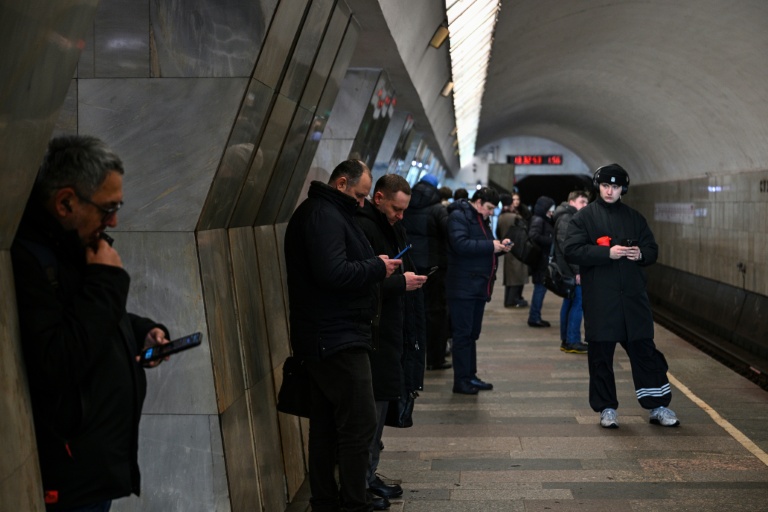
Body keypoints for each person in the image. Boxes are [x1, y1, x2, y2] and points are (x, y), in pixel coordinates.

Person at [11, 135, 172, 512]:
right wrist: (106, 282)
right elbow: (57, 358)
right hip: (67, 474)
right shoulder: (28, 259)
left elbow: (94, 321)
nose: (114, 220)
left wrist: (140, 332)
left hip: (94, 467)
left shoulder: (73, 245)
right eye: (107, 208)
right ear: (66, 202)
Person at [284, 159, 402, 512]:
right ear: (341, 184)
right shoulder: (323, 216)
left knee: (326, 424)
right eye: (360, 195)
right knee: (359, 422)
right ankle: (352, 500)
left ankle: (325, 499)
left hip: (328, 333)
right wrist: (377, 267)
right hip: (335, 335)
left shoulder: (327, 212)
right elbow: (332, 273)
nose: (362, 203)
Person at [564, 163, 680, 429]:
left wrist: (640, 254)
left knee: (645, 353)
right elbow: (571, 250)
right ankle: (606, 408)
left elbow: (652, 249)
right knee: (601, 356)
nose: (609, 191)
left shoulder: (635, 218)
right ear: (598, 186)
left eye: (615, 187)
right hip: (601, 301)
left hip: (633, 301)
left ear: (622, 189)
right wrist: (607, 253)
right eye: (605, 185)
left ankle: (658, 406)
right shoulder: (584, 218)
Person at [356, 174, 426, 509]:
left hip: (391, 330)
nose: (400, 215)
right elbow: (361, 281)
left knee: (381, 406)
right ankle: (361, 480)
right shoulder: (365, 227)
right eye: (396, 208)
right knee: (371, 411)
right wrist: (402, 283)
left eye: (403, 210)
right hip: (374, 334)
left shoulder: (392, 225)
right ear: (379, 197)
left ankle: (369, 474)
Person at [445, 187, 511, 394]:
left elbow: (483, 246)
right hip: (462, 286)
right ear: (479, 202)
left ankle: (470, 376)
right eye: (489, 208)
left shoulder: (481, 219)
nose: (491, 212)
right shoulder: (459, 216)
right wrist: (492, 246)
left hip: (478, 285)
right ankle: (461, 380)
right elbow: (460, 244)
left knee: (472, 334)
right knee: (463, 335)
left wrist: (499, 247)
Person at [401, 174, 451, 371]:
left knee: (412, 311)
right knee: (436, 312)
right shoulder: (438, 210)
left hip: (410, 266)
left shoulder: (406, 207)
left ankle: (413, 353)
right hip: (434, 268)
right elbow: (449, 234)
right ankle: (435, 358)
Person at [553, 190, 590, 353]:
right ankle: (572, 340)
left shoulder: (566, 217)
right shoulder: (567, 219)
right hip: (571, 269)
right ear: (572, 202)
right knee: (578, 303)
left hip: (567, 268)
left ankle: (566, 340)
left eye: (586, 202)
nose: (585, 205)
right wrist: (578, 271)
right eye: (582, 202)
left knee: (569, 303)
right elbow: (568, 247)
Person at [496, 193, 529, 308]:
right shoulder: (515, 217)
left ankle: (509, 299)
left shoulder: (500, 217)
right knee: (517, 276)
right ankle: (513, 300)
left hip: (507, 249)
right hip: (518, 249)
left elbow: (498, 233)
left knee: (510, 277)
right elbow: (524, 233)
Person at [527, 196, 556, 327]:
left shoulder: (542, 219)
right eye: (550, 210)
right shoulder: (539, 220)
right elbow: (533, 236)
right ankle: (534, 317)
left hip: (541, 260)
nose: (551, 213)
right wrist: (551, 242)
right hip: (540, 261)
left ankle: (535, 316)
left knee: (540, 288)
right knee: (540, 289)